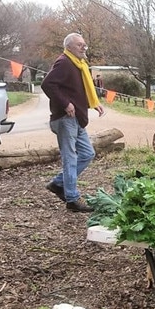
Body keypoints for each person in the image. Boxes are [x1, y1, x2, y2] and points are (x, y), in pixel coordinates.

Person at [41, 32, 105, 213]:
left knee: (87, 153)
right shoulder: (64, 62)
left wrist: (94, 104)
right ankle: (72, 199)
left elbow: (79, 91)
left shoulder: (79, 65)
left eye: (84, 44)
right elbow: (48, 84)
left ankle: (58, 183)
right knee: (70, 157)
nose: (83, 47)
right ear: (69, 47)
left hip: (76, 119)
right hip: (64, 119)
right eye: (79, 45)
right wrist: (65, 103)